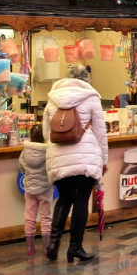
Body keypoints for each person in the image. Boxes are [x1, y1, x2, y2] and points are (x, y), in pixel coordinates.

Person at [42, 64, 108, 262]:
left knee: (64, 199)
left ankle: (53, 246)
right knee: (81, 201)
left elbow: (47, 132)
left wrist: (56, 149)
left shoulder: (52, 98)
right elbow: (100, 133)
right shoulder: (91, 98)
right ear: (86, 79)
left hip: (58, 157)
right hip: (86, 157)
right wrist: (104, 159)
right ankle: (75, 247)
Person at [19, 124, 52, 256]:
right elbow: (51, 168)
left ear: (31, 136)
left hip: (30, 189)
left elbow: (21, 169)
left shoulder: (24, 152)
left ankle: (30, 247)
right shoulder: (48, 152)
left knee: (29, 218)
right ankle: (46, 248)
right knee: (45, 218)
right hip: (45, 189)